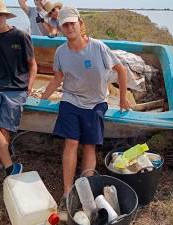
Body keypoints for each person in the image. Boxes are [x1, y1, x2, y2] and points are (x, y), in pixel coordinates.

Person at [41, 6, 130, 210]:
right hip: (71, 100)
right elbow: (58, 78)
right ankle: (67, 192)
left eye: (73, 23)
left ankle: (86, 189)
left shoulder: (98, 47)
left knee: (89, 145)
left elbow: (121, 70)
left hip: (96, 102)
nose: (69, 27)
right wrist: (43, 98)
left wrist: (123, 99)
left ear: (80, 24)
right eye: (65, 24)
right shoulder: (61, 52)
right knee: (71, 142)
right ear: (61, 28)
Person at [0, 0, 37, 198]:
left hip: (17, 88)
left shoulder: (20, 36)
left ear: (6, 16)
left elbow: (32, 64)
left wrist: (29, 86)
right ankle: (11, 167)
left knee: (3, 131)